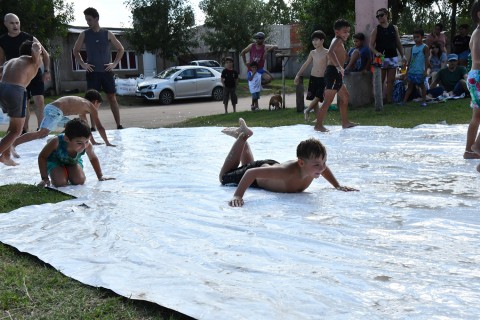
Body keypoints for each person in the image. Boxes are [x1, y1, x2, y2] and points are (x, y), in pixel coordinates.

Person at [219, 118, 358, 207]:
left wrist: (337, 185)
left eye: (324, 162)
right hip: (260, 172)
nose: (322, 168)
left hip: (270, 170)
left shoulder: (314, 167)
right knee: (224, 177)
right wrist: (238, 195)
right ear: (301, 163)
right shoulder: (286, 172)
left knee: (247, 165)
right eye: (317, 164)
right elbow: (251, 172)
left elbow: (324, 169)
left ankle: (242, 138)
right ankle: (243, 136)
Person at [12, 89, 116, 157]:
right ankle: (13, 144)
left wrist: (92, 141)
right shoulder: (90, 106)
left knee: (73, 127)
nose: (98, 107)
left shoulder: (83, 105)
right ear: (95, 102)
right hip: (55, 111)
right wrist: (107, 142)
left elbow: (85, 128)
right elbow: (100, 127)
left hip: (55, 111)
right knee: (41, 133)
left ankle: (53, 141)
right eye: (99, 104)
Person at [73, 7, 124, 130]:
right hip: (93, 73)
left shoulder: (107, 33)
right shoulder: (84, 34)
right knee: (92, 101)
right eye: (86, 20)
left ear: (96, 19)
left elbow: (121, 49)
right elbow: (76, 50)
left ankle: (119, 125)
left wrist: (114, 63)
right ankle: (93, 127)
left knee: (112, 97)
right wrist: (83, 64)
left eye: (89, 19)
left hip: (106, 72)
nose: (87, 22)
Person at [0, 13, 51, 134]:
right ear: (5, 24)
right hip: (18, 77)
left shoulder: (29, 37)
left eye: (17, 22)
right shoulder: (2, 41)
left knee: (39, 100)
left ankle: (41, 128)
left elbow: (45, 54)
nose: (15, 25)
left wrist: (47, 71)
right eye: (12, 23)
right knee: (24, 103)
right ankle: (24, 129)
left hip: (33, 72)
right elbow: (1, 61)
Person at [37, 118, 115, 187]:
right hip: (55, 160)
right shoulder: (56, 142)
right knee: (60, 183)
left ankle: (68, 171)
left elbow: (93, 158)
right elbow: (42, 157)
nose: (84, 146)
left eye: (87, 141)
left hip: (72, 162)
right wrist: (45, 178)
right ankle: (60, 171)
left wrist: (100, 176)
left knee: (79, 181)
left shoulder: (87, 145)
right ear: (67, 139)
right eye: (79, 143)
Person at [0, 40, 42, 166]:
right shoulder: (33, 61)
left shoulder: (10, 61)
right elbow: (35, 54)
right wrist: (37, 47)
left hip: (2, 88)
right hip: (16, 90)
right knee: (17, 131)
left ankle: (6, 156)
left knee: (13, 128)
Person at [314, 19, 357, 132]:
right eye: (344, 31)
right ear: (337, 32)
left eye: (348, 32)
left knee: (345, 97)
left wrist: (345, 56)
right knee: (328, 100)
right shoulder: (337, 40)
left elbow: (337, 53)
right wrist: (338, 66)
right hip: (333, 72)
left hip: (336, 73)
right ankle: (318, 125)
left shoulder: (340, 42)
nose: (347, 34)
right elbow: (330, 52)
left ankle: (345, 122)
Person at [370, 8, 407, 104]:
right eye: (377, 16)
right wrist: (376, 52)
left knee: (390, 80)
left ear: (386, 15)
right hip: (381, 57)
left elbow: (398, 43)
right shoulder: (376, 29)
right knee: (380, 80)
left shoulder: (394, 28)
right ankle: (379, 100)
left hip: (393, 57)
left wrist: (403, 55)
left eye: (381, 15)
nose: (379, 18)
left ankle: (389, 99)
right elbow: (370, 45)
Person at [294, 30, 328, 121]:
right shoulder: (312, 52)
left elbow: (329, 66)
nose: (314, 42)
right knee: (314, 98)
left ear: (322, 41)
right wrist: (298, 75)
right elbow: (306, 64)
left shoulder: (327, 52)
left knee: (318, 96)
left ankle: (307, 110)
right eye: (313, 40)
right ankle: (317, 118)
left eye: (316, 40)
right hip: (313, 78)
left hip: (323, 78)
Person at [465, 0, 480, 164]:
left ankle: (469, 150)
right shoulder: (479, 33)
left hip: (475, 76)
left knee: (477, 116)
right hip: (478, 76)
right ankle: (475, 148)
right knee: (477, 116)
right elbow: (477, 59)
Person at [402, 29, 429, 107]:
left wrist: (425, 71)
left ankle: (424, 101)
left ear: (422, 37)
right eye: (414, 37)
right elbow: (411, 59)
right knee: (410, 86)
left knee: (422, 86)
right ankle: (404, 101)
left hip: (420, 71)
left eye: (417, 37)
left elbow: (427, 60)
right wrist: (407, 70)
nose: (416, 39)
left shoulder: (425, 47)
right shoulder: (413, 48)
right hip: (412, 70)